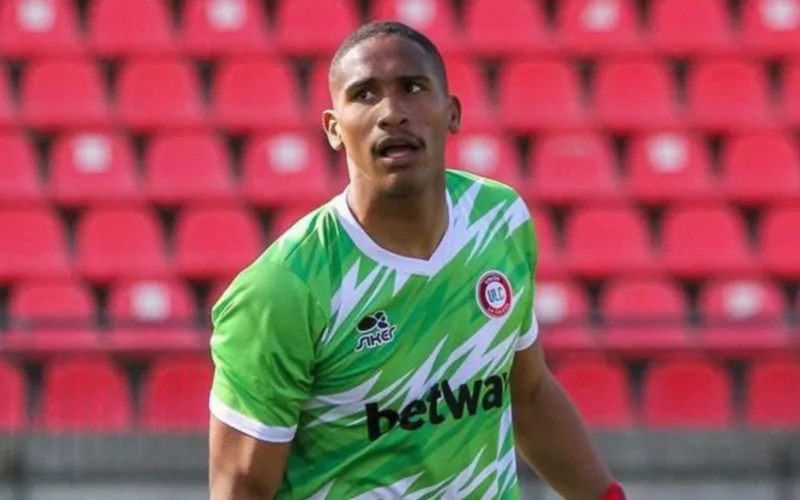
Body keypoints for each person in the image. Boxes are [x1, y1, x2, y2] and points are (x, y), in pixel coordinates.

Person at [208, 21, 626, 500]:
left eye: (412, 87)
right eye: (364, 94)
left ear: (451, 112)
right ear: (333, 128)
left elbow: (527, 394)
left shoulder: (500, 221)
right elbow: (242, 486)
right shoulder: (282, 288)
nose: (391, 113)